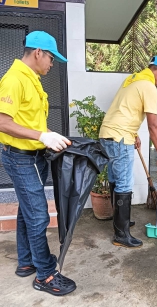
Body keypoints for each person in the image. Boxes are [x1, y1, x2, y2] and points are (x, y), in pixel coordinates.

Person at [0, 31, 76, 296]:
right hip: (21, 158)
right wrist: (42, 136)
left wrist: (45, 140)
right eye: (51, 58)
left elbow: (28, 118)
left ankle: (26, 261)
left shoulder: (32, 79)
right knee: (39, 215)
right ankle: (45, 275)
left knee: (27, 210)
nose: (52, 64)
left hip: (33, 156)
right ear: (37, 53)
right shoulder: (14, 80)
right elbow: (2, 122)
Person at [99, 55, 157, 248]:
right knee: (124, 184)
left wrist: (133, 134)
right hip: (120, 138)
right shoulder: (148, 86)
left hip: (107, 134)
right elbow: (153, 126)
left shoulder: (132, 79)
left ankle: (119, 221)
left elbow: (124, 108)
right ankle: (121, 235)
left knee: (115, 179)